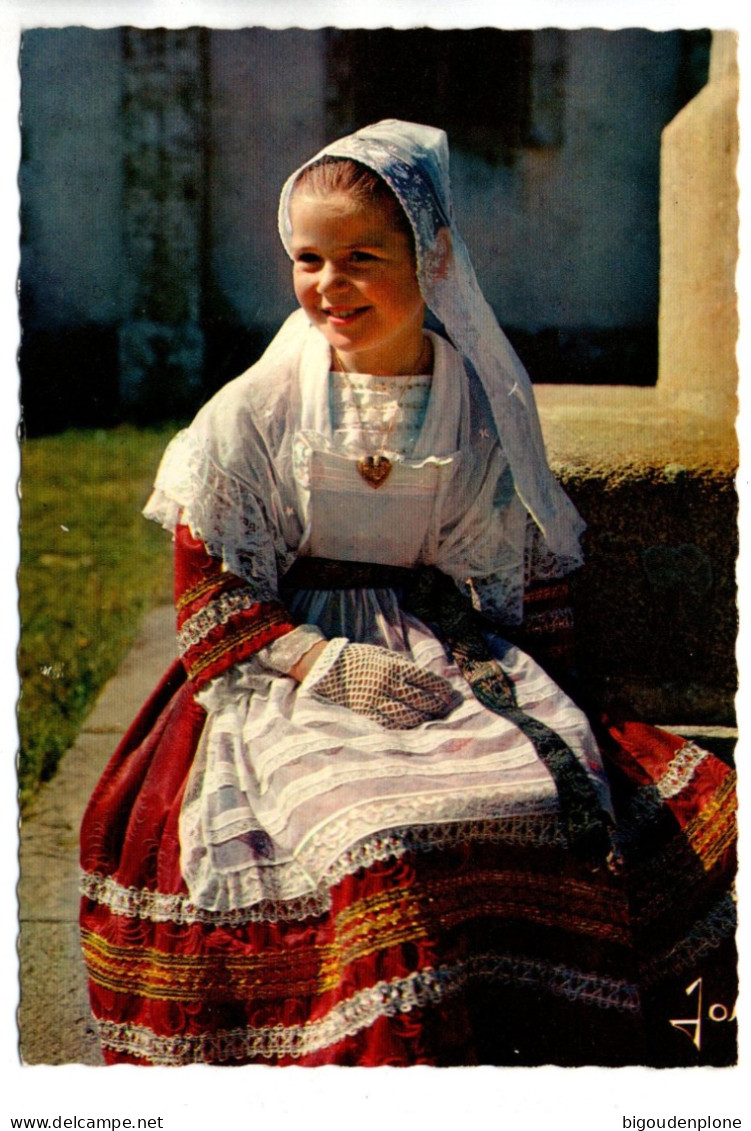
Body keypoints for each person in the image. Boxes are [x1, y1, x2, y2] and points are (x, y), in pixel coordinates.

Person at [79, 120, 736, 1067]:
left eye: (360, 258)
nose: (328, 286)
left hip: (438, 643)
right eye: (308, 259)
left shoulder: (470, 400)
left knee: (558, 799)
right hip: (286, 664)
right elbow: (210, 600)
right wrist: (326, 661)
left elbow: (511, 565)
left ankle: (516, 1038)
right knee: (379, 835)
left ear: (429, 259)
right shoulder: (256, 408)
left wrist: (553, 704)